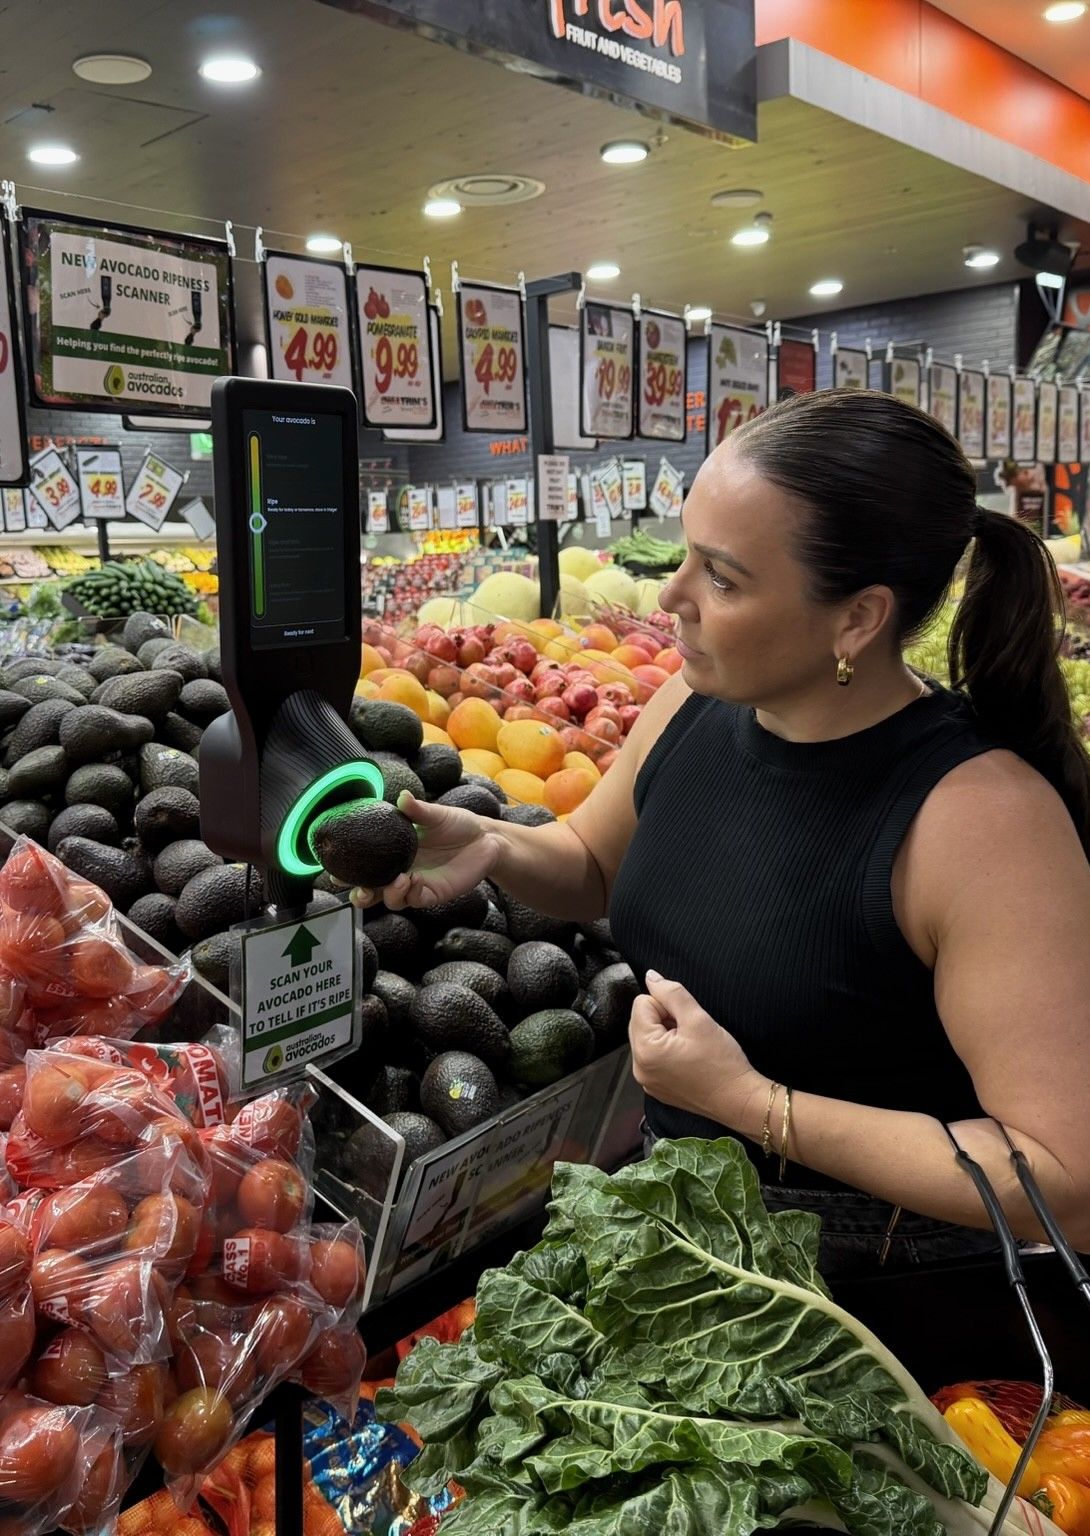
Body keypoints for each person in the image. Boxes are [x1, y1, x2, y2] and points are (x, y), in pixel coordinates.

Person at [352, 389, 1090, 1280]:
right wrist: (496, 846)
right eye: (686, 553)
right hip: (684, 1232)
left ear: (858, 617)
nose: (672, 595)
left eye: (723, 576)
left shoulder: (986, 824)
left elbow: (1062, 1174)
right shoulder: (694, 704)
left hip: (878, 1301)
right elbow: (592, 862)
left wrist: (753, 1104)